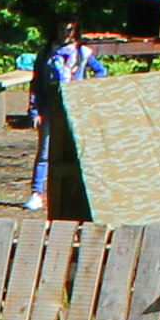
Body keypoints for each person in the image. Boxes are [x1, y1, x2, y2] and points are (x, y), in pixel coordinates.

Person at [24, 20, 105, 213]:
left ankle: (84, 193)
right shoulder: (46, 54)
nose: (64, 33)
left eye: (69, 30)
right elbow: (37, 84)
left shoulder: (83, 52)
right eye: (61, 29)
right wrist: (35, 111)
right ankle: (37, 193)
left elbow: (101, 71)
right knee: (45, 152)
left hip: (77, 110)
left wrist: (88, 91)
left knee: (81, 151)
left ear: (75, 31)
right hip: (51, 109)